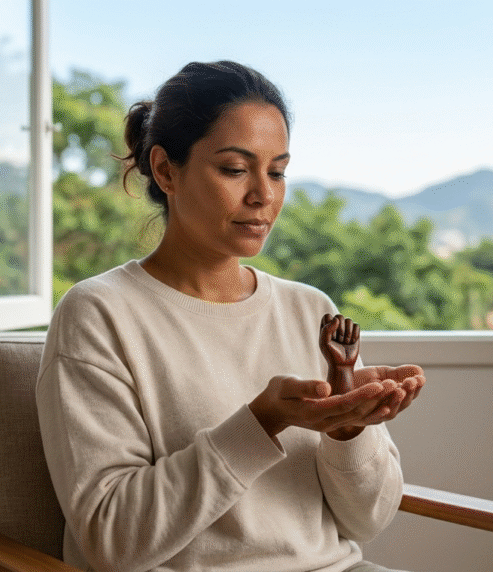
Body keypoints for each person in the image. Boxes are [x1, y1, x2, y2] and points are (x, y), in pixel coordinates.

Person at [35, 60, 425, 572]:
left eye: (278, 171)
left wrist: (348, 430)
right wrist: (263, 420)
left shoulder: (310, 309)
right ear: (165, 169)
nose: (264, 195)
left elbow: (368, 523)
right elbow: (113, 540)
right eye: (236, 169)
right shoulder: (99, 314)